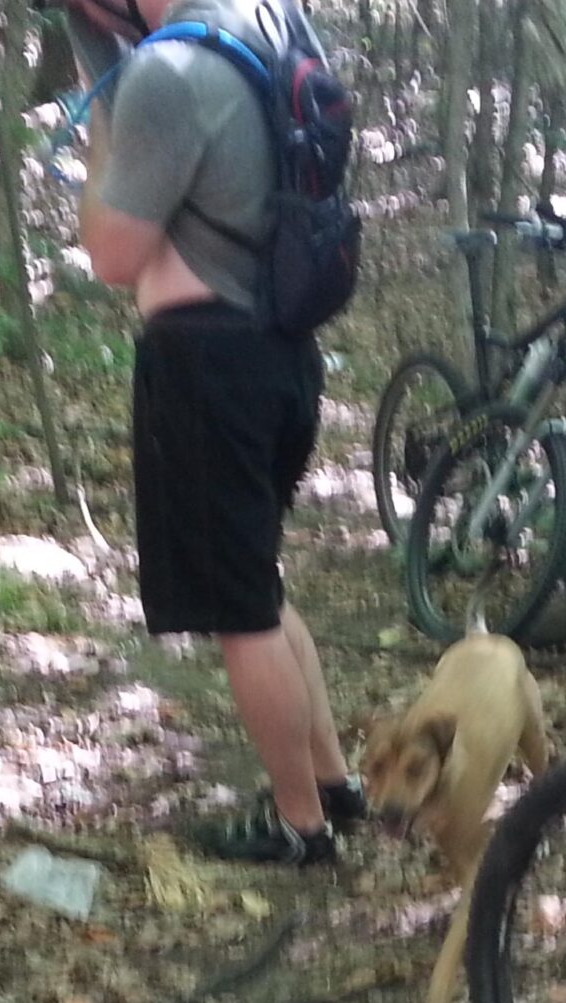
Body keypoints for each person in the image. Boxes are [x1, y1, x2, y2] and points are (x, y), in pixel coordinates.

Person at [70, 0, 359, 867]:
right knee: (258, 589)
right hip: (281, 353)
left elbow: (114, 257)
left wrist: (97, 138)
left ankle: (300, 826)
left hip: (208, 367)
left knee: (242, 614)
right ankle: (334, 784)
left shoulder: (166, 73)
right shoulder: (267, 23)